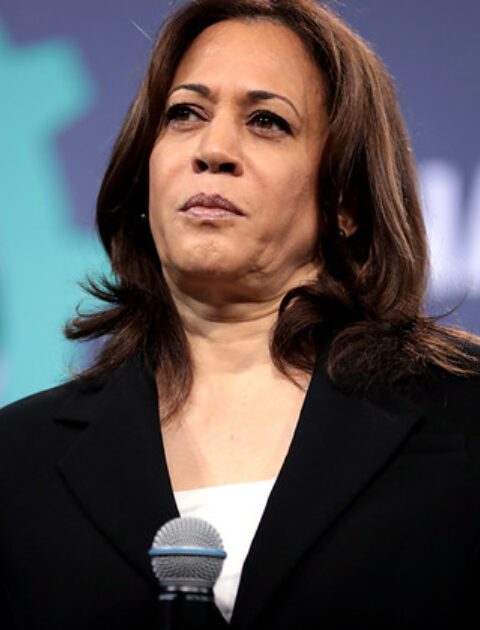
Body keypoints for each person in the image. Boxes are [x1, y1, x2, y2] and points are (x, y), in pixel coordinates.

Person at [1, 0, 479, 628]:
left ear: (345, 199)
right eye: (185, 114)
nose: (214, 149)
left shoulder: (462, 415)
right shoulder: (16, 460)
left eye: (266, 121)